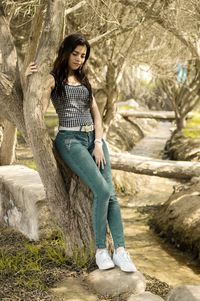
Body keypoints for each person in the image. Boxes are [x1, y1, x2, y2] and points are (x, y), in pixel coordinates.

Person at [26, 33, 137, 272]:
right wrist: (30, 78)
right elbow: (37, 104)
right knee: (102, 190)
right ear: (66, 52)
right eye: (75, 54)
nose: (79, 59)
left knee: (112, 196)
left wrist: (98, 142)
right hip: (70, 140)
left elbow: (96, 114)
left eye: (83, 55)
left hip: (93, 140)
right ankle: (100, 250)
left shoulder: (84, 80)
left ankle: (120, 250)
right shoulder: (53, 79)